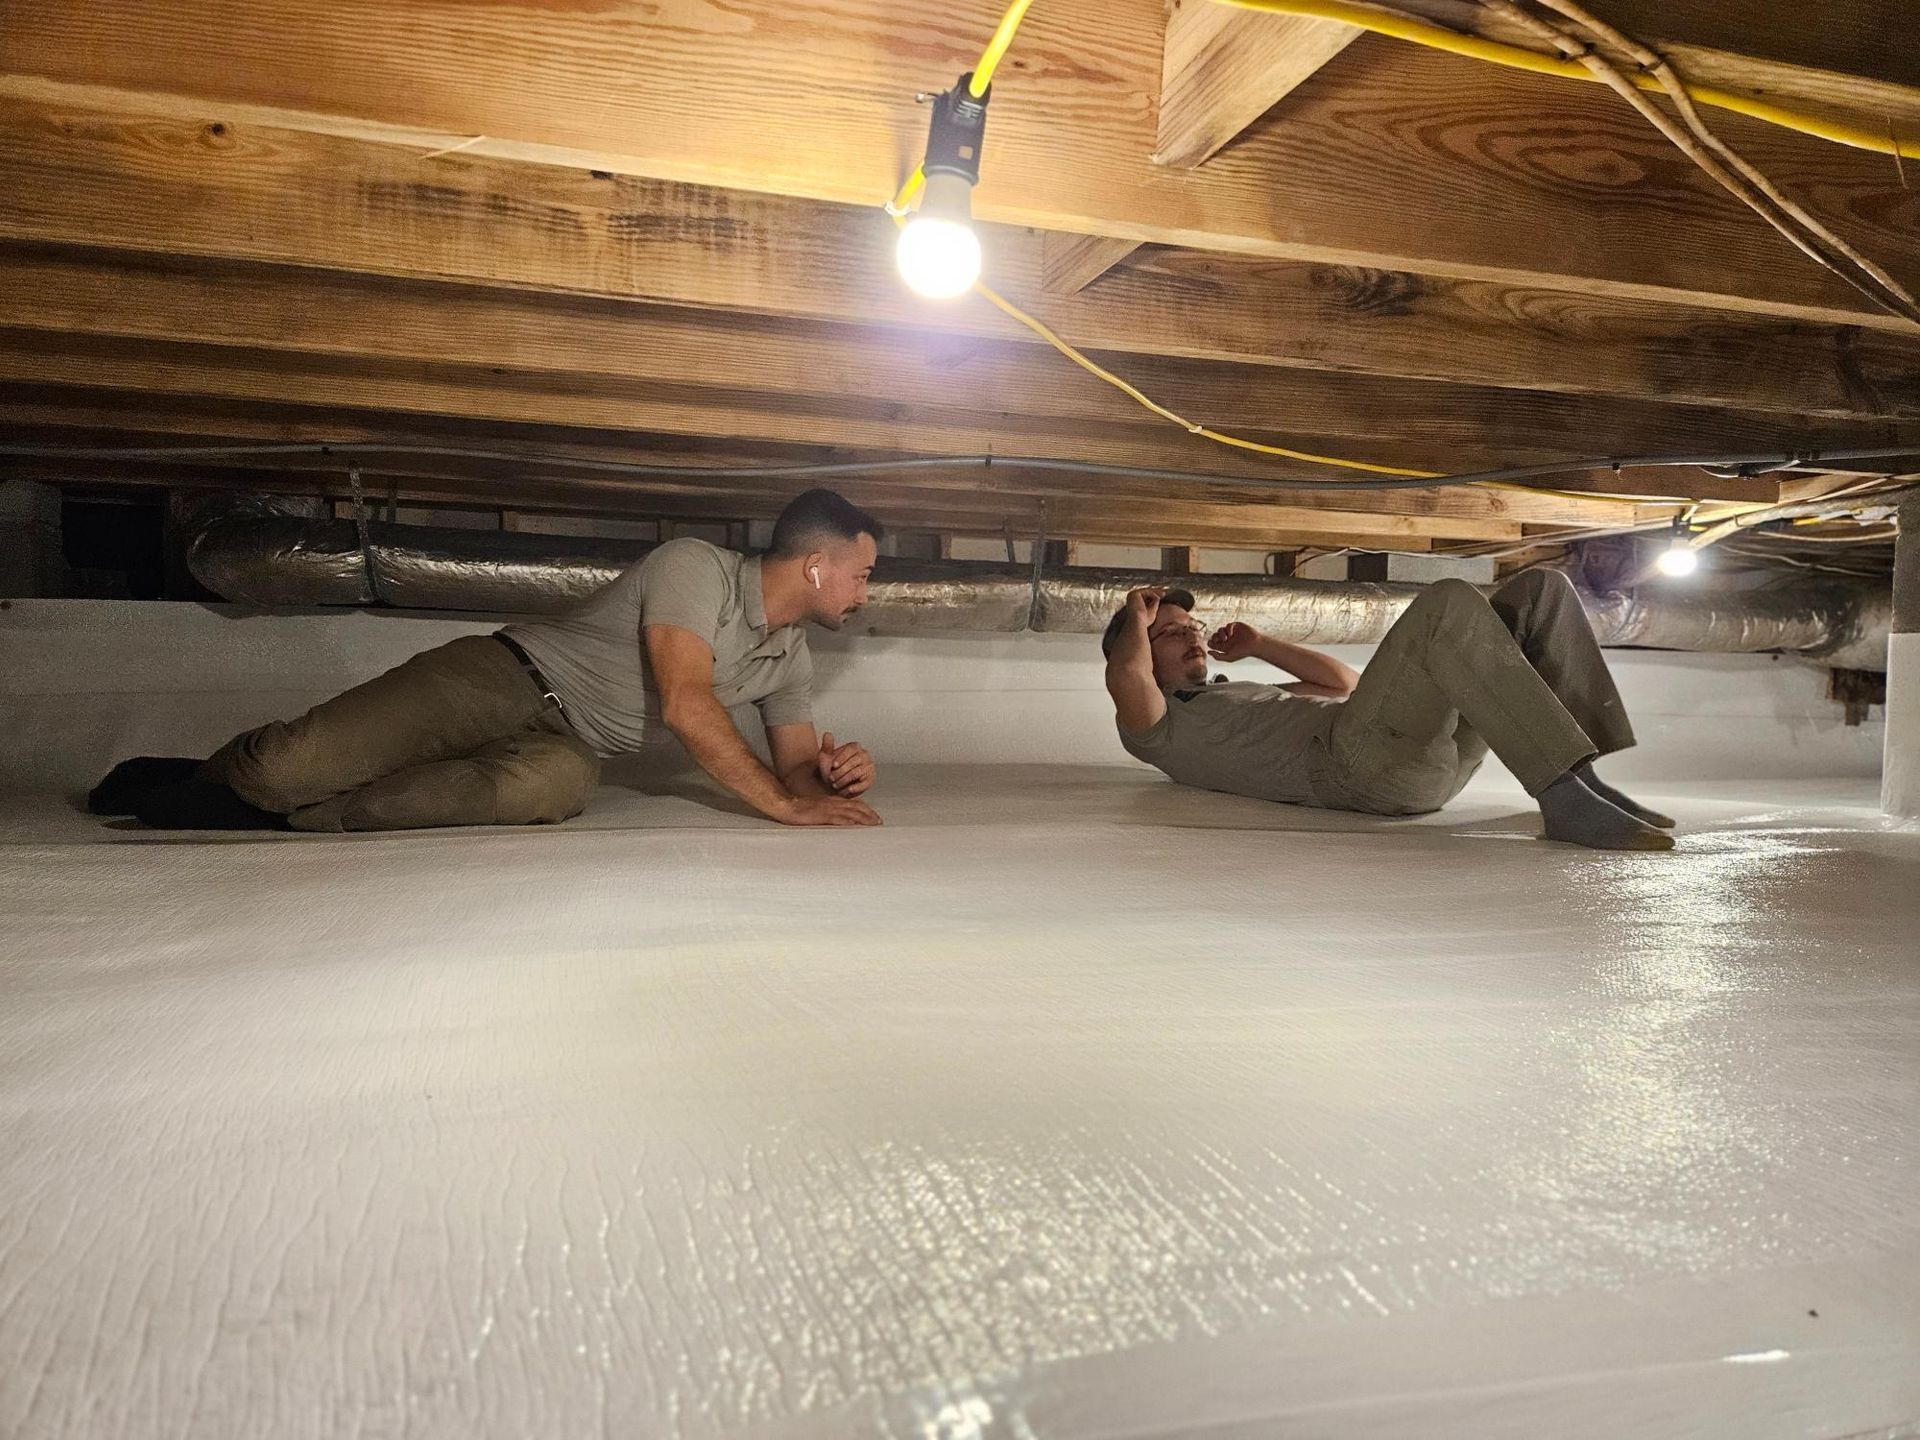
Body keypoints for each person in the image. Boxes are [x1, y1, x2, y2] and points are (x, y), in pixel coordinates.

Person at [91, 488, 886, 832]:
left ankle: (280, 815)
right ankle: (220, 779)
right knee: (282, 767)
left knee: (548, 790)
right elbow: (685, 702)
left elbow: (796, 774)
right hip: (502, 678)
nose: (866, 590)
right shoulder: (696, 567)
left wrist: (830, 779)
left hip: (569, 746)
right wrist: (783, 807)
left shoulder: (790, 658)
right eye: (862, 573)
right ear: (816, 566)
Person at [1100, 571, 1676, 851]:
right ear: (1142, 651)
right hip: (1357, 770)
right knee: (1447, 602)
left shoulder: (1237, 695)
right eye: (1170, 632)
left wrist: (1261, 645)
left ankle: (1583, 779)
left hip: (1415, 760)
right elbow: (1126, 675)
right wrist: (1135, 611)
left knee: (1540, 591)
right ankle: (1562, 796)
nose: (1192, 635)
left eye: (1193, 626)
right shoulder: (1159, 727)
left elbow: (1342, 685)